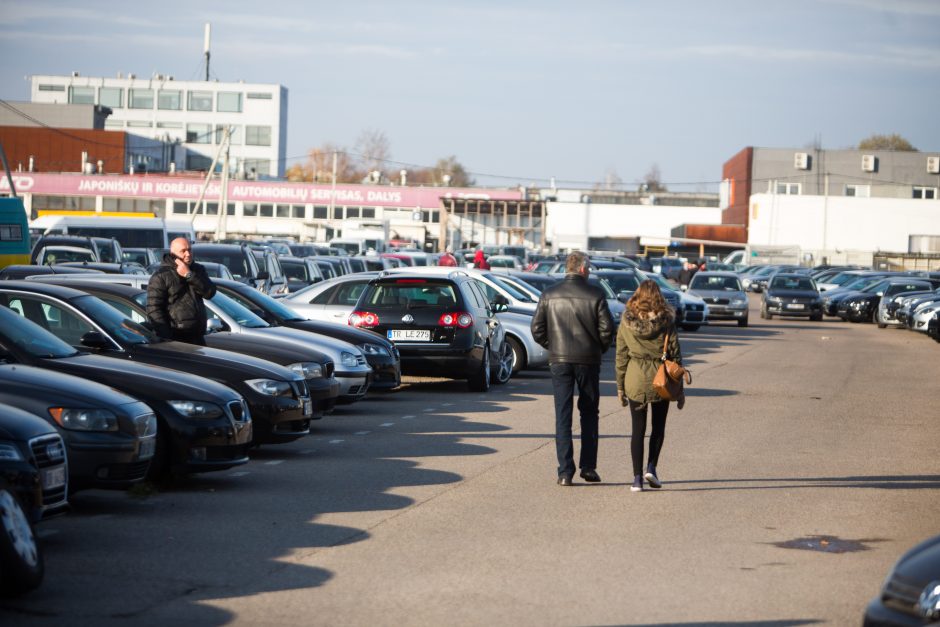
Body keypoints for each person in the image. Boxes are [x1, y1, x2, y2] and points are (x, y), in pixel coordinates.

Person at [531, 251, 614, 486]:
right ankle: (588, 467)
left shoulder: (549, 294)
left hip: (559, 360)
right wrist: (597, 348)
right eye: (588, 267)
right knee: (589, 413)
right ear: (581, 268)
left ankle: (565, 471)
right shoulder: (595, 294)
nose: (589, 271)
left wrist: (553, 345)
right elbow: (607, 330)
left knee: (563, 415)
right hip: (588, 360)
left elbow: (537, 329)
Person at [615, 279, 683, 493]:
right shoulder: (667, 321)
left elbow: (621, 355)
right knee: (658, 427)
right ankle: (651, 467)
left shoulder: (626, 321)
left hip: (635, 378)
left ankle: (636, 479)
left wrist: (619, 386)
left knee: (638, 430)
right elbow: (676, 355)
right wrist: (680, 389)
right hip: (660, 378)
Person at [147, 237, 216, 345]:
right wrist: (167, 337)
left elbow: (209, 292)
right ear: (173, 254)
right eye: (183, 251)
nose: (188, 254)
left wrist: (189, 275)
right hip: (176, 337)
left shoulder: (197, 270)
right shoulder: (161, 276)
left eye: (189, 250)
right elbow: (154, 309)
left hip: (198, 337)